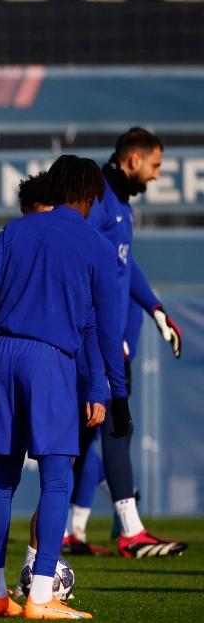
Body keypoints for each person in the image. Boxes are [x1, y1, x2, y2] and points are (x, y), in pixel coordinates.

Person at [0, 155, 129, 620]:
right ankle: (41, 595)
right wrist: (116, 391)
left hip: (2, 355)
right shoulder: (97, 245)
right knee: (56, 478)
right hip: (50, 361)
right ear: (90, 194)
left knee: (2, 479)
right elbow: (106, 329)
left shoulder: (15, 231)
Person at [84, 128, 187, 558]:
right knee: (115, 428)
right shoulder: (100, 199)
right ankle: (131, 531)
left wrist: (155, 308)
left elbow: (125, 265)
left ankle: (71, 529)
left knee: (87, 436)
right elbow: (82, 264)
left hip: (115, 342)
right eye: (155, 166)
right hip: (103, 344)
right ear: (134, 160)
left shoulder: (120, 203)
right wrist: (103, 337)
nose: (158, 175)